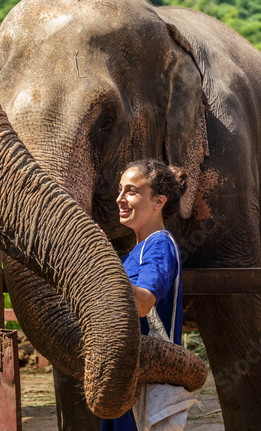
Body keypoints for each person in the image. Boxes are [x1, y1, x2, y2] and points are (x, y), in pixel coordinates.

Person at [101, 159, 187, 431]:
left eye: (131, 191)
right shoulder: (131, 255)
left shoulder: (159, 244)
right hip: (127, 377)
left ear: (158, 201)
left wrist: (99, 261)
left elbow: (142, 302)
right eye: (119, 190)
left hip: (146, 381)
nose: (119, 198)